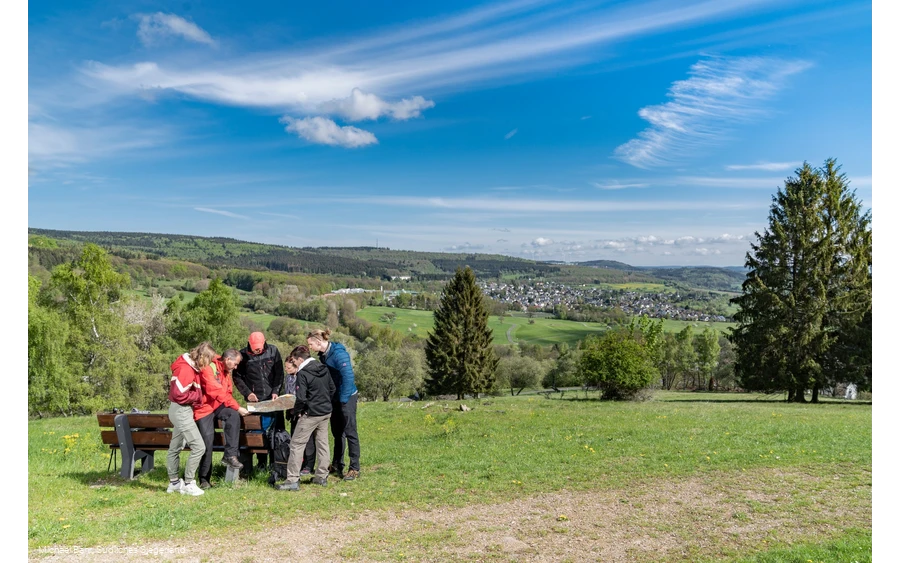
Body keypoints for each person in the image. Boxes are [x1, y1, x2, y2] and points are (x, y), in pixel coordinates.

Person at [277, 345, 336, 490]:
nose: (294, 364)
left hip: (310, 414)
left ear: (299, 358)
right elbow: (332, 389)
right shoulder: (323, 368)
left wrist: (297, 412)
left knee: (296, 445)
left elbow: (301, 398)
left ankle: (292, 480)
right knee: (323, 443)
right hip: (325, 412)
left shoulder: (302, 373)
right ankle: (321, 477)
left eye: (294, 361)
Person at [305, 329, 361, 481]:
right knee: (337, 433)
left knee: (350, 431)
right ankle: (337, 463)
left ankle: (354, 468)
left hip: (347, 396)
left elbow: (348, 377)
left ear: (318, 342)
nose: (310, 347)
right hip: (335, 398)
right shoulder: (323, 355)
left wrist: (343, 400)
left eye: (311, 344)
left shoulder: (338, 354)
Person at [195, 348, 250, 489]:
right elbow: (214, 390)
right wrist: (237, 406)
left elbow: (227, 391)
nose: (236, 367)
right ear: (228, 360)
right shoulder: (209, 367)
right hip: (204, 407)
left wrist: (234, 408)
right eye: (235, 364)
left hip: (217, 405)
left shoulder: (226, 371)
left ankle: (230, 456)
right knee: (207, 442)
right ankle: (204, 479)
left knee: (232, 415)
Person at [165, 342, 215, 496]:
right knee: (199, 447)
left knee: (175, 446)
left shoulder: (189, 366)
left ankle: (174, 483)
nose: (208, 365)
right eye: (208, 361)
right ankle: (189, 483)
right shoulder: (186, 369)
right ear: (202, 357)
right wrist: (197, 396)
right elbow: (178, 394)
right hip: (181, 411)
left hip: (178, 409)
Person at [233, 331, 285, 470]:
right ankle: (261, 464)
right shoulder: (242, 356)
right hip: (255, 401)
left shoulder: (273, 350)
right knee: (257, 432)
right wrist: (247, 393)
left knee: (276, 432)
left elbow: (279, 373)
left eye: (259, 346)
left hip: (273, 400)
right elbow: (237, 377)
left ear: (264, 342)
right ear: (249, 343)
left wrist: (276, 391)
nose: (258, 349)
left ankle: (276, 464)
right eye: (255, 346)